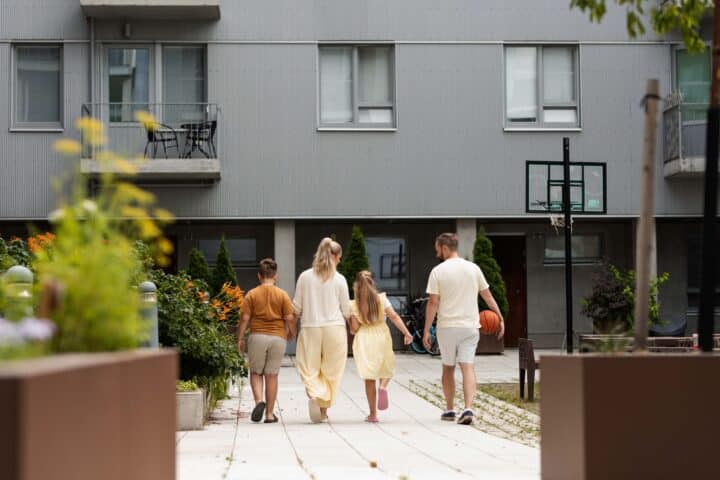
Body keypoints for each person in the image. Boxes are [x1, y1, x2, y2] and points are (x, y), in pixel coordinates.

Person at [423, 233, 505, 425]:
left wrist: (426, 329)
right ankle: (468, 408)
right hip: (469, 327)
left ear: (445, 248)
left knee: (448, 367)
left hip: (447, 327)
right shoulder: (473, 268)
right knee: (467, 367)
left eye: (437, 249)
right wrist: (500, 318)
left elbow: (433, 302)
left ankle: (450, 409)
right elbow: (488, 296)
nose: (436, 253)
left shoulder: (438, 271)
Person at [293, 237, 351, 423]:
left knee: (309, 367)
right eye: (339, 257)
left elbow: (296, 308)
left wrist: (290, 326)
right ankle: (323, 411)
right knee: (332, 371)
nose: (340, 260)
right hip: (335, 328)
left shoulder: (305, 277)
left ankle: (314, 394)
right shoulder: (340, 279)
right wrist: (355, 326)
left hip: (310, 327)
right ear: (334, 256)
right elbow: (347, 310)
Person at [349, 271, 413, 423]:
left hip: (364, 338)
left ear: (357, 286)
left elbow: (354, 329)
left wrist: (351, 322)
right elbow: (394, 317)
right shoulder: (382, 299)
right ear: (373, 284)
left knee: (369, 376)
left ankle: (373, 415)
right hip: (381, 334)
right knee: (386, 365)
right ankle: (383, 386)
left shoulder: (353, 304)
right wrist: (406, 333)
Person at [237, 258, 296, 423]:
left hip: (257, 336)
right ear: (275, 276)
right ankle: (269, 414)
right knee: (272, 375)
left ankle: (259, 402)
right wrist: (292, 333)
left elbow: (244, 319)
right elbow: (290, 318)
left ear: (259, 275)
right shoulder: (282, 295)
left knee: (256, 372)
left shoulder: (252, 294)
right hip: (278, 337)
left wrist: (240, 338)